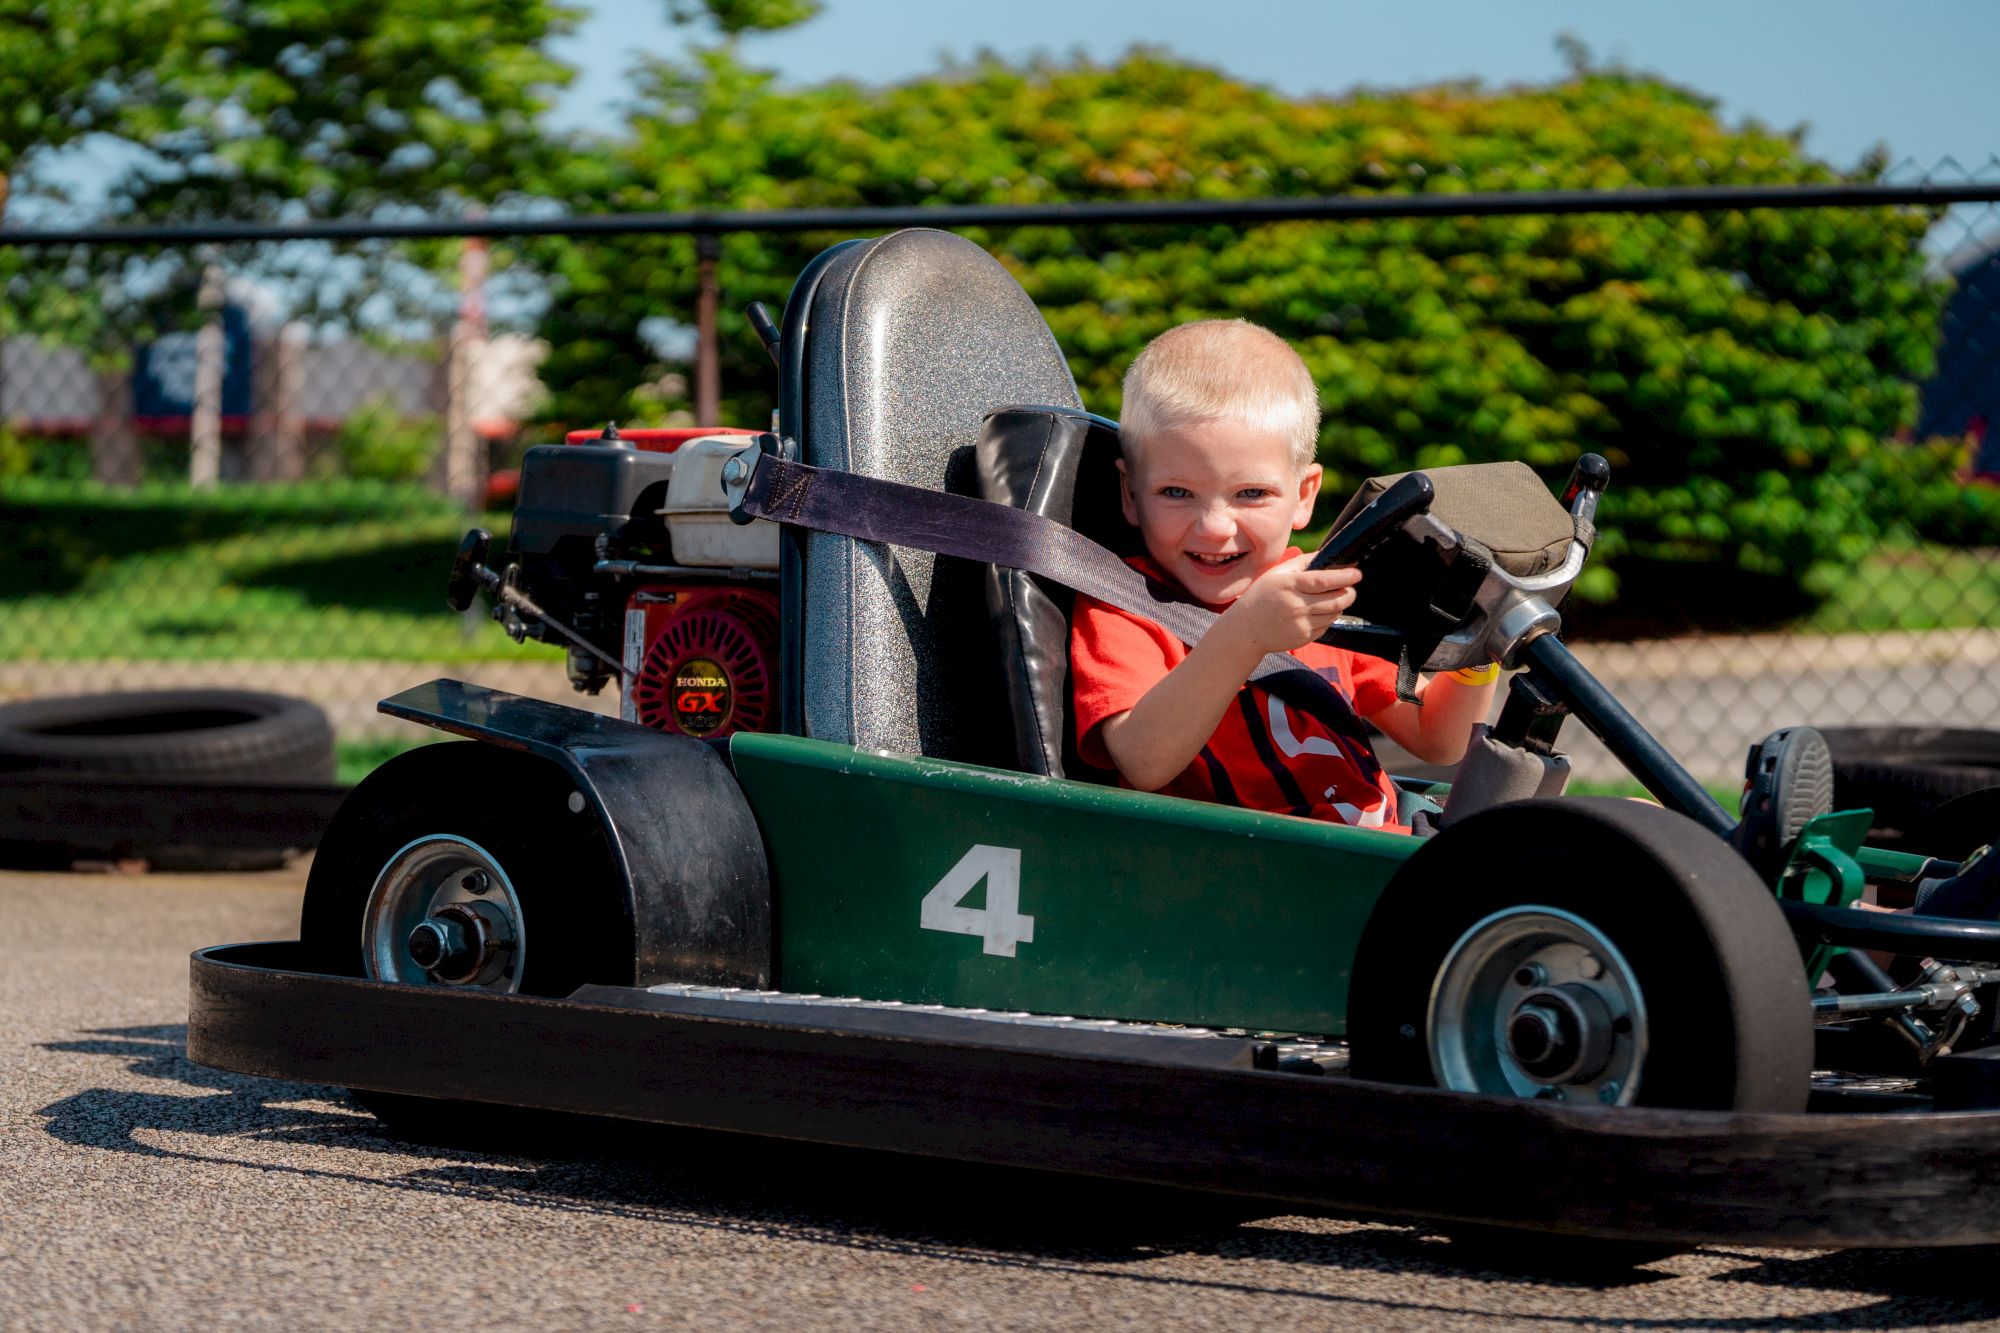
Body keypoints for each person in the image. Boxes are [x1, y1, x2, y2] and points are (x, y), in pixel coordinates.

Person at [1071, 319, 1498, 832]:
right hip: (1276, 877)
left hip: (1386, 846)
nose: (1213, 528)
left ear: (1304, 495)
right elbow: (1143, 762)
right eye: (1176, 493)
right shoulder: (1124, 607)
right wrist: (1248, 632)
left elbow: (1437, 739)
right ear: (1130, 493)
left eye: (1250, 493)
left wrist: (1479, 638)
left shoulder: (1325, 587)